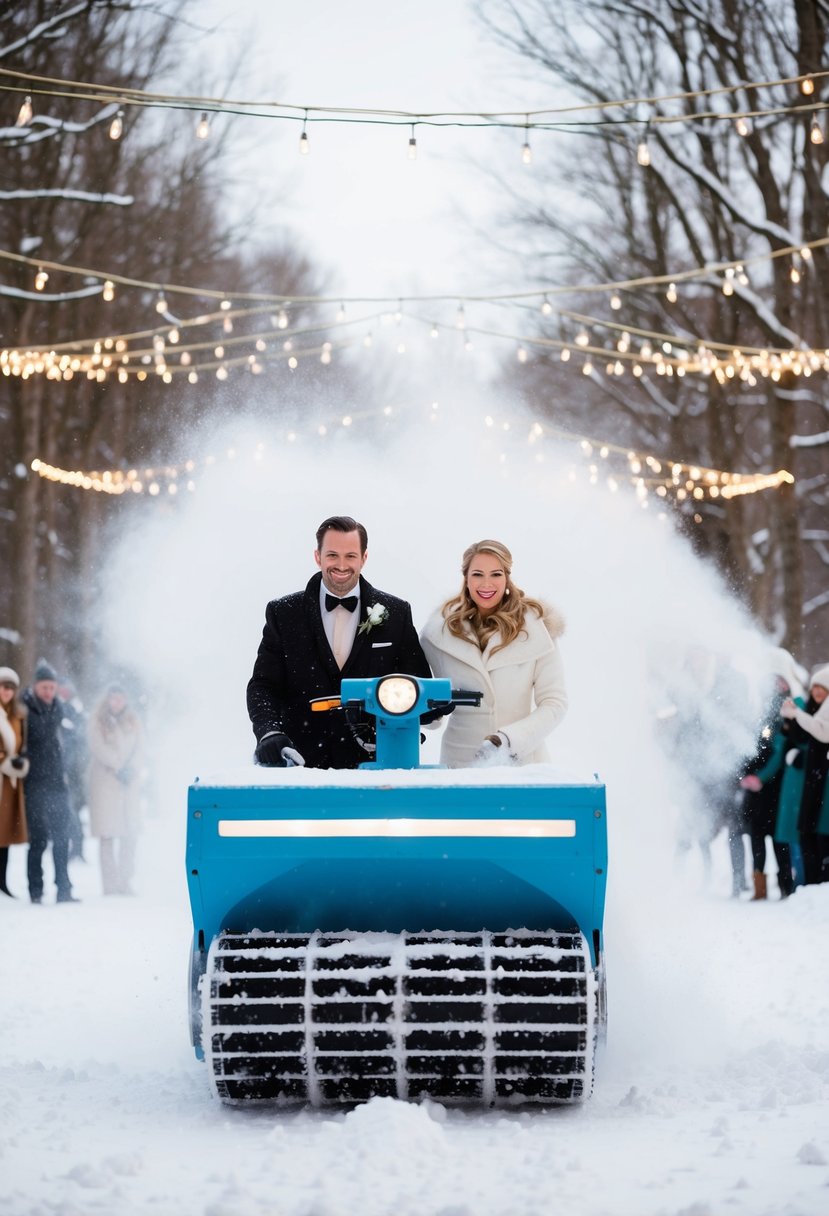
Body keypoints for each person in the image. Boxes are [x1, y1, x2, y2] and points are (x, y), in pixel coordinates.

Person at [247, 515, 433, 769]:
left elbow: (420, 686)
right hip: (300, 765)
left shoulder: (396, 613)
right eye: (332, 555)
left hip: (375, 764)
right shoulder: (283, 613)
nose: (341, 565)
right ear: (318, 556)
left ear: (364, 558)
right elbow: (263, 686)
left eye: (350, 556)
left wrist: (406, 723)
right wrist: (269, 733)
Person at [419, 539, 567, 767]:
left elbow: (554, 702)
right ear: (466, 578)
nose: (486, 584)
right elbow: (432, 713)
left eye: (496, 574)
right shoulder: (439, 634)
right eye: (477, 574)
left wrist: (509, 740)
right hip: (460, 763)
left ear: (507, 577)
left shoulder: (537, 629)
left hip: (523, 764)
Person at [738, 648, 805, 900]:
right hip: (758, 784)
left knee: (780, 837)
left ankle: (786, 886)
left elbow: (780, 747)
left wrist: (762, 777)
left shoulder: (794, 705)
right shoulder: (763, 706)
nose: (777, 684)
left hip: (779, 783)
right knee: (756, 835)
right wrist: (748, 773)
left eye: (781, 679)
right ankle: (759, 887)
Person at [21, 658, 79, 904]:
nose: (48, 692)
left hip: (58, 782)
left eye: (52, 687)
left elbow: (73, 740)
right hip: (34, 783)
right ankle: (36, 890)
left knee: (62, 837)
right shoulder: (24, 709)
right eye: (44, 687)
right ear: (35, 686)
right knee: (39, 839)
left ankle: (63, 889)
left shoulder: (61, 708)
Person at [87, 682, 145, 895]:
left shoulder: (133, 721)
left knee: (130, 834)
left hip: (128, 784)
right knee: (107, 834)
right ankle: (110, 884)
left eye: (120, 698)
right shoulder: (98, 721)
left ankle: (125, 880)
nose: (117, 702)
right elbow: (97, 747)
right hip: (106, 782)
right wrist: (118, 766)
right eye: (113, 698)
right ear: (108, 699)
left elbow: (140, 747)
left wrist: (131, 768)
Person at [777, 663, 829, 886]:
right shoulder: (808, 708)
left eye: (822, 688)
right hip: (811, 778)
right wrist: (790, 720)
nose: (817, 692)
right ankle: (809, 885)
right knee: (807, 832)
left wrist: (796, 714)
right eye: (815, 687)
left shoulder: (821, 712)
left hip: (822, 778)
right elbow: (796, 737)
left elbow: (820, 732)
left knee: (821, 833)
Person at [0, 666, 29, 897]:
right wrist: (5, 761)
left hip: (10, 783)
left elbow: (21, 746)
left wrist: (21, 762)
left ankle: (3, 882)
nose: (6, 691)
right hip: (3, 775)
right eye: (3, 686)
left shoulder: (18, 715)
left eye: (10, 687)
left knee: (6, 833)